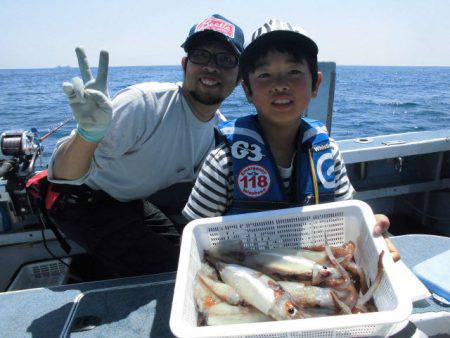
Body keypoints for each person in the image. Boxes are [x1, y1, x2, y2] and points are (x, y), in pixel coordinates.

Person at [46, 14, 245, 278]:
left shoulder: (215, 131)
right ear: (185, 64)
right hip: (78, 201)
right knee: (176, 272)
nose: (211, 67)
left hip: (128, 202)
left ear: (240, 76)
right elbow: (64, 177)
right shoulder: (144, 105)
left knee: (186, 250)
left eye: (226, 59)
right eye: (201, 55)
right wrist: (88, 135)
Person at [182, 19, 400, 260]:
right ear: (247, 91)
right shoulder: (224, 161)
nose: (280, 85)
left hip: (316, 272)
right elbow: (194, 239)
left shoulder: (329, 154)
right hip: (246, 275)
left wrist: (372, 230)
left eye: (294, 72)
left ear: (316, 84)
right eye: (264, 74)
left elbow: (348, 222)